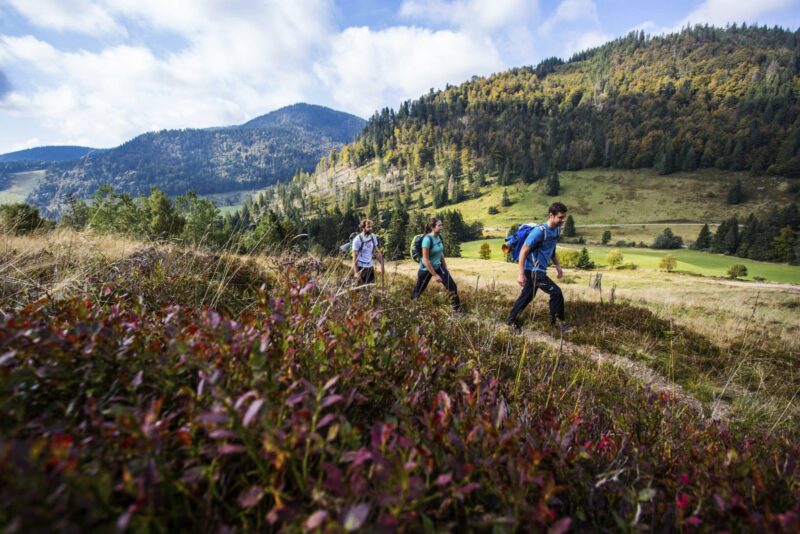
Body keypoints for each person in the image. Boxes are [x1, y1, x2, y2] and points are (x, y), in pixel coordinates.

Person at [506, 202, 571, 332]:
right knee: (556, 292)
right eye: (560, 217)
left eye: (564, 217)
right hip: (533, 270)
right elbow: (523, 251)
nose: (562, 220)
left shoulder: (556, 230)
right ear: (551, 216)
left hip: (539, 269)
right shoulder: (538, 232)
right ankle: (557, 323)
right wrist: (521, 273)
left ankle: (511, 320)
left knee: (527, 296)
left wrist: (558, 266)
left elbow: (551, 248)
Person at [411, 217, 463, 312]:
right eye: (439, 225)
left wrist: (445, 268)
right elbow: (426, 260)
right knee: (418, 290)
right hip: (426, 269)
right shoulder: (427, 240)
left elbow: (441, 253)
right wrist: (435, 275)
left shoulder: (439, 237)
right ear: (433, 227)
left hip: (438, 266)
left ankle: (457, 310)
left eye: (441, 225)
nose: (441, 227)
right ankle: (411, 308)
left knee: (452, 286)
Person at [351, 219, 383, 286]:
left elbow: (376, 251)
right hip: (361, 267)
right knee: (362, 289)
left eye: (371, 227)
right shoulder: (357, 240)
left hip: (370, 267)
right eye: (368, 227)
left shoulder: (373, 237)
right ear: (363, 228)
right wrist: (356, 272)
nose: (370, 229)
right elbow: (354, 257)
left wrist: (382, 264)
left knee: (372, 287)